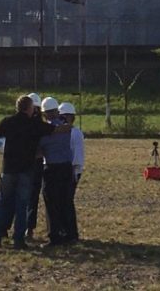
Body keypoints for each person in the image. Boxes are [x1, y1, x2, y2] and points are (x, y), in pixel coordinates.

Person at [0, 95, 69, 250]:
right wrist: (68, 126)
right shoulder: (34, 124)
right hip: (26, 171)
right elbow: (55, 130)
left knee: (3, 203)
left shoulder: (7, 121)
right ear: (30, 108)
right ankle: (19, 240)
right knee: (22, 205)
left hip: (8, 169)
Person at [38, 97, 75, 247]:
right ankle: (70, 233)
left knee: (51, 203)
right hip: (66, 167)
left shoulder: (45, 130)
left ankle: (55, 236)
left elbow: (40, 149)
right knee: (66, 201)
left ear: (44, 113)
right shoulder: (66, 127)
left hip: (52, 168)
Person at [59, 101, 84, 243]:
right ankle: (64, 230)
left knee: (67, 201)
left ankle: (71, 233)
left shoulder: (75, 133)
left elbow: (78, 156)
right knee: (63, 201)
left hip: (71, 170)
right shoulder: (63, 132)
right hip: (65, 169)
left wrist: (75, 171)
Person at [26, 92, 44, 239]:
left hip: (35, 163)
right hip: (25, 162)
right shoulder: (21, 123)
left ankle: (29, 227)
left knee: (32, 196)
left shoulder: (40, 125)